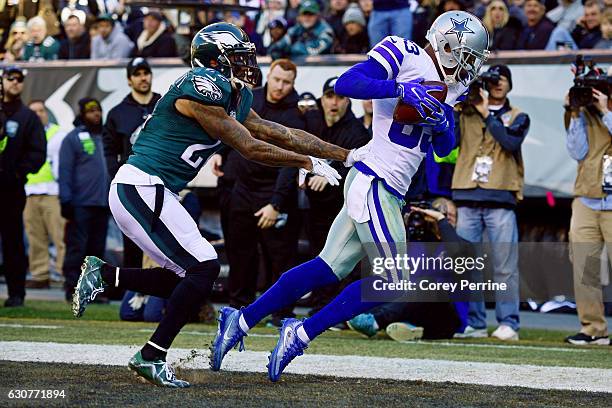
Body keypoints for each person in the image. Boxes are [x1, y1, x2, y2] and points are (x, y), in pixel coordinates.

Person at [210, 11, 489, 381]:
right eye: (467, 54)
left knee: (328, 267)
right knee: (394, 280)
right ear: (447, 43)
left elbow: (444, 150)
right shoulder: (404, 52)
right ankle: (301, 332)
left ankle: (241, 319)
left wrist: (441, 124)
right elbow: (346, 82)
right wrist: (400, 89)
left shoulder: (452, 87)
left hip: (386, 185)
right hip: (376, 178)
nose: (469, 64)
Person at [71, 22, 350, 388]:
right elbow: (249, 146)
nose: (247, 62)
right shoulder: (202, 86)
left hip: (156, 190)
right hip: (139, 185)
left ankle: (106, 276)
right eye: (238, 56)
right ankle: (151, 354)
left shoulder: (234, 94)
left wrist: (346, 154)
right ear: (215, 61)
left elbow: (278, 132)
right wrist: (304, 162)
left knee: (194, 279)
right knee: (203, 269)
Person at [223, 59, 312, 325]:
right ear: (268, 77)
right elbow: (229, 128)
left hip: (275, 191)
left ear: (293, 84)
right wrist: (220, 155)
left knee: (280, 258)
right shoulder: (250, 99)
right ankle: (238, 308)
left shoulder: (297, 114)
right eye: (276, 80)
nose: (280, 87)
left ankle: (281, 313)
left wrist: (276, 204)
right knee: (240, 253)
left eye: (286, 82)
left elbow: (291, 162)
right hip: (242, 187)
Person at [451, 65, 530, 341]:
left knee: (504, 265)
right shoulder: (466, 112)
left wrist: (486, 113)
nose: (497, 84)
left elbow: (509, 142)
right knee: (467, 265)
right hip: (466, 193)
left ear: (510, 84)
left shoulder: (519, 116)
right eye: (492, 79)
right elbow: (450, 143)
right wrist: (459, 101)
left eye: (502, 79)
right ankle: (476, 323)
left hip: (501, 196)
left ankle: (509, 323)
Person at [348, 198, 467, 341]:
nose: (446, 219)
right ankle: (407, 328)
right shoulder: (414, 243)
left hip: (444, 317)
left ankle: (375, 322)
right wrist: (403, 225)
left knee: (427, 284)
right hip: (412, 310)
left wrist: (441, 220)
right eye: (440, 215)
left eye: (450, 216)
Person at [305, 77, 371, 315]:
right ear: (321, 99)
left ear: (348, 101)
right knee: (318, 256)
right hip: (313, 206)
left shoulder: (358, 132)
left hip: (343, 206)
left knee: (344, 260)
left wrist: (330, 174)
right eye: (329, 96)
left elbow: (361, 168)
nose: (334, 103)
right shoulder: (311, 121)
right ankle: (319, 307)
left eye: (340, 97)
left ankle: (341, 312)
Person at [563, 67, 612, 346]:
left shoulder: (605, 112)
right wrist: (576, 111)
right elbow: (576, 151)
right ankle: (593, 329)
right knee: (585, 267)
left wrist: (606, 110)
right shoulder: (585, 113)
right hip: (587, 198)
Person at [103, 57, 161, 270]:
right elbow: (110, 151)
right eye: (137, 74)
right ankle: (133, 297)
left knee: (164, 241)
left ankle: (162, 298)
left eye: (146, 72)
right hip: (133, 187)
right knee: (134, 244)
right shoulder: (117, 113)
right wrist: (117, 178)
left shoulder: (165, 105)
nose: (143, 77)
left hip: (163, 184)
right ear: (129, 80)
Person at [0, 66, 46, 307]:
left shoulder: (27, 117)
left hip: (10, 190)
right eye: (11, 78)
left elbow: (38, 152)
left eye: (19, 80)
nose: (15, 83)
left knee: (13, 242)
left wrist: (19, 173)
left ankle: (16, 294)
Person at [59, 98, 110, 302]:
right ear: (81, 114)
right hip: (80, 204)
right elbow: (64, 170)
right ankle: (72, 287)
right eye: (90, 111)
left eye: (98, 110)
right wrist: (66, 200)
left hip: (103, 203)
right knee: (77, 248)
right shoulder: (73, 138)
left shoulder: (107, 138)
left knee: (97, 252)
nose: (96, 114)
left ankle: (92, 291)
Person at [24, 101, 67, 289]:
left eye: (42, 111)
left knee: (60, 236)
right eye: (34, 111)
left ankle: (64, 273)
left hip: (52, 192)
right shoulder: (23, 134)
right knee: (35, 237)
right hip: (29, 192)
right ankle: (40, 274)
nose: (39, 114)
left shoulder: (58, 134)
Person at [268, 0, 334, 59]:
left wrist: (294, 48)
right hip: (300, 68)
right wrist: (278, 49)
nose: (307, 18)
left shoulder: (326, 30)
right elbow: (278, 47)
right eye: (304, 14)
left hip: (322, 68)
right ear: (299, 16)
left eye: (310, 14)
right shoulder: (296, 28)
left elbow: (315, 51)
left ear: (317, 15)